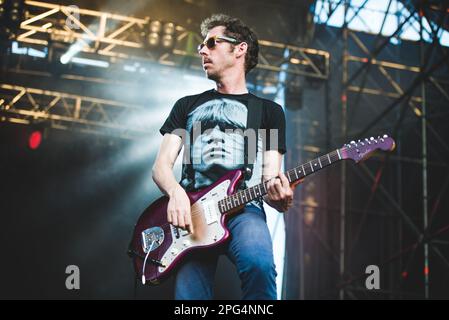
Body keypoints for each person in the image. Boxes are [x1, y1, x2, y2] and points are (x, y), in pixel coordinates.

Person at [152, 14, 301, 300]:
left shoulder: (268, 112)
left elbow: (270, 180)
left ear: (239, 49)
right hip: (192, 213)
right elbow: (161, 166)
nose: (202, 51)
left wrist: (280, 197)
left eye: (211, 43)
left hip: (244, 208)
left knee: (260, 267)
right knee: (189, 299)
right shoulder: (187, 106)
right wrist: (175, 192)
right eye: (201, 46)